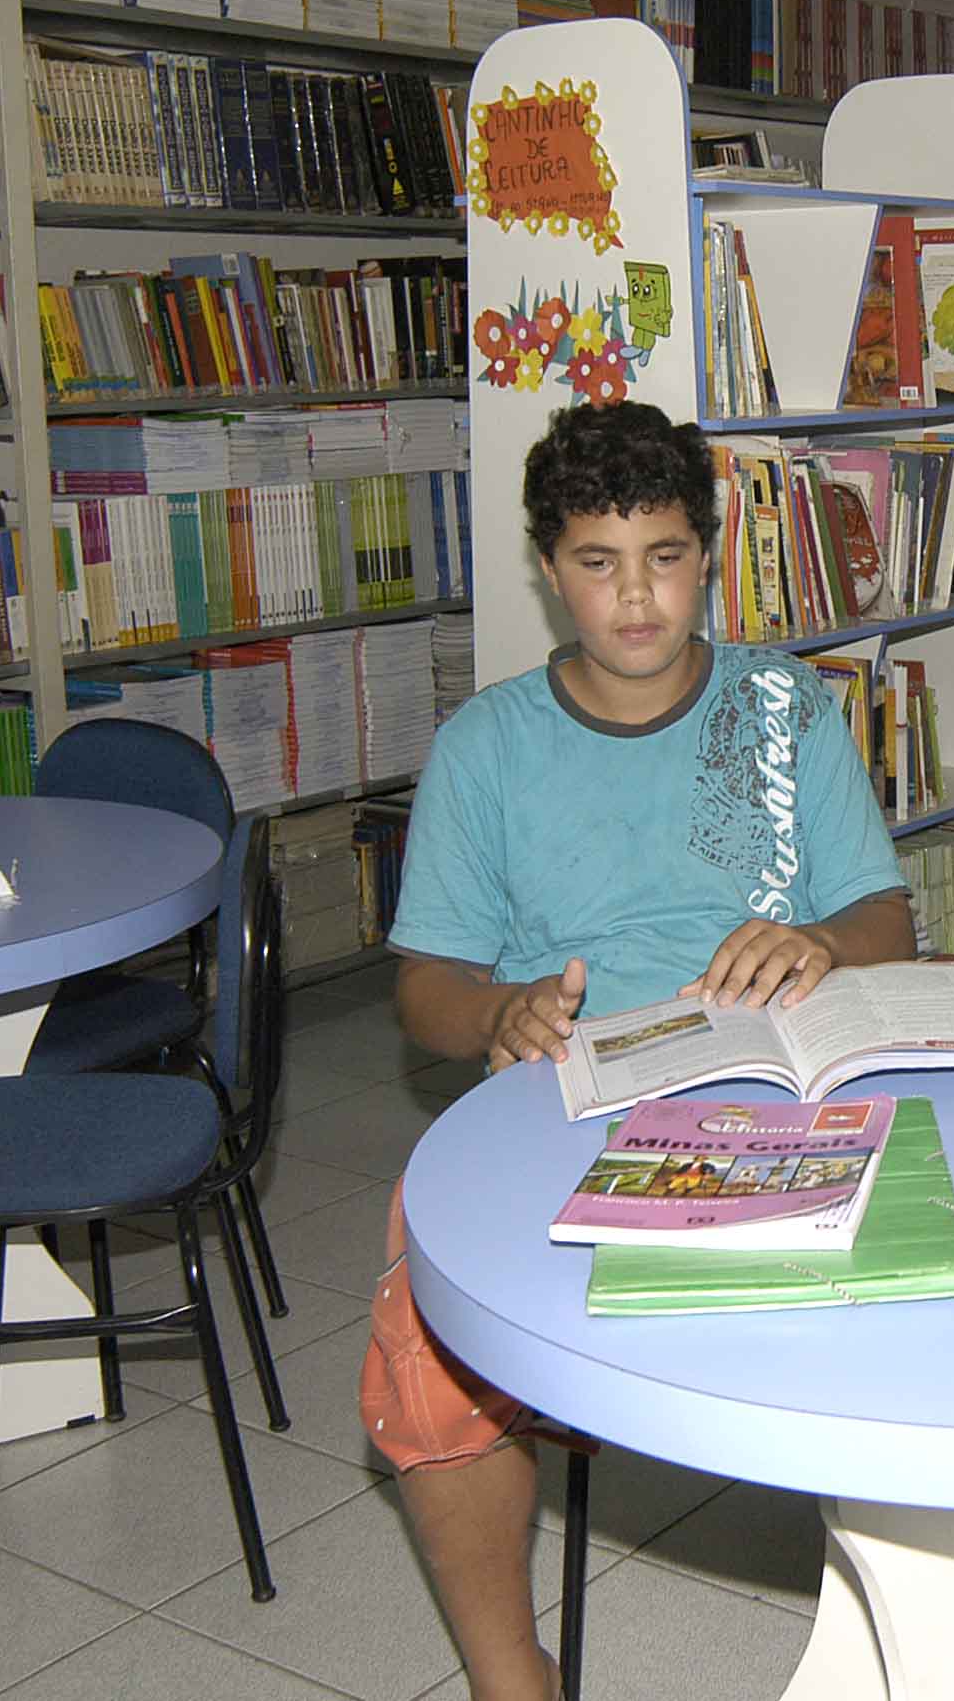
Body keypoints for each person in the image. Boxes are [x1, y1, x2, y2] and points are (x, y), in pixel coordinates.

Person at [359, 401, 916, 1701]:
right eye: (599, 563)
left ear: (707, 553)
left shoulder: (784, 709)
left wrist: (820, 944)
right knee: (427, 1347)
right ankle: (512, 1674)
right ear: (551, 569)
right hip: (563, 1101)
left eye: (664, 557)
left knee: (928, 1297)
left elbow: (887, 917)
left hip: (776, 1085)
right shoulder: (484, 747)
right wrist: (496, 1015)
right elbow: (425, 988)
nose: (635, 598)